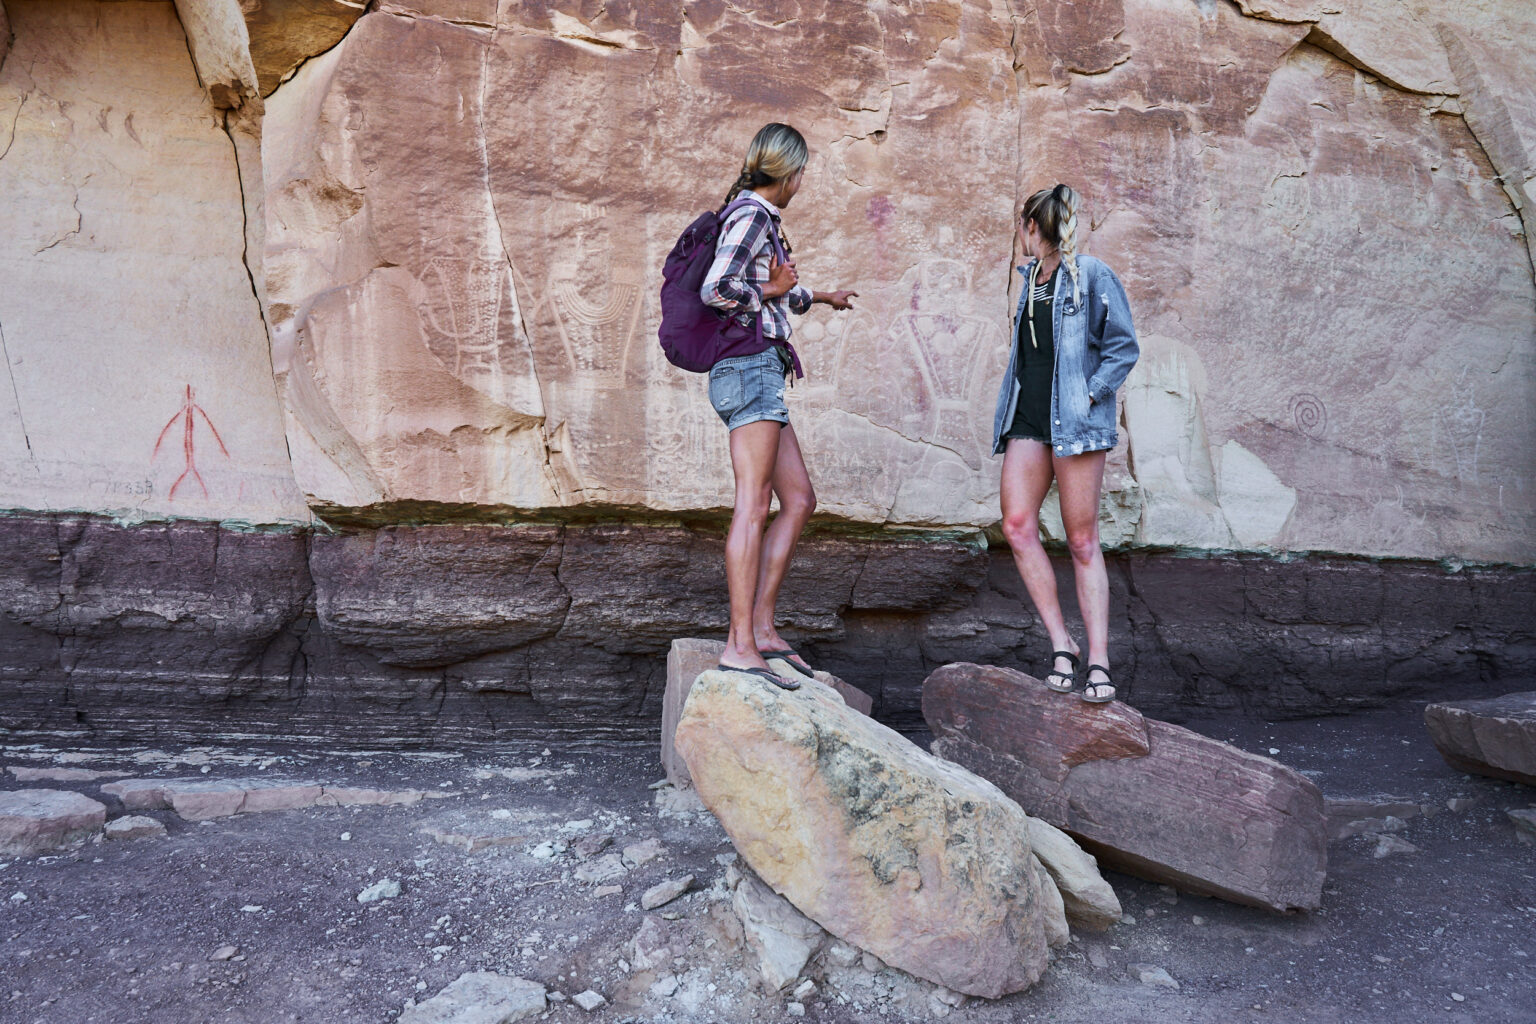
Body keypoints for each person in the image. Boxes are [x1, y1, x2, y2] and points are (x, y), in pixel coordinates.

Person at [699, 123, 857, 690]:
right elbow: (718, 288)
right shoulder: (750, 216)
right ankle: (740, 645)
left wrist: (818, 295)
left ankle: (762, 626)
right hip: (747, 368)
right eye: (803, 171)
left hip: (761, 371)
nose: (803, 181)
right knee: (752, 505)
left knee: (798, 499)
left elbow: (779, 287)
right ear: (788, 172)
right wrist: (767, 291)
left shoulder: (761, 220)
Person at [992, 185, 1139, 703]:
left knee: (1081, 541)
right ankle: (1062, 644)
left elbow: (1124, 346)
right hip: (1028, 419)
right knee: (1016, 525)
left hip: (1076, 423)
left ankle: (1098, 660)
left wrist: (1090, 395)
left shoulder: (1092, 274)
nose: (1021, 238)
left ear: (1033, 227)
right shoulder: (1029, 280)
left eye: (1022, 228)